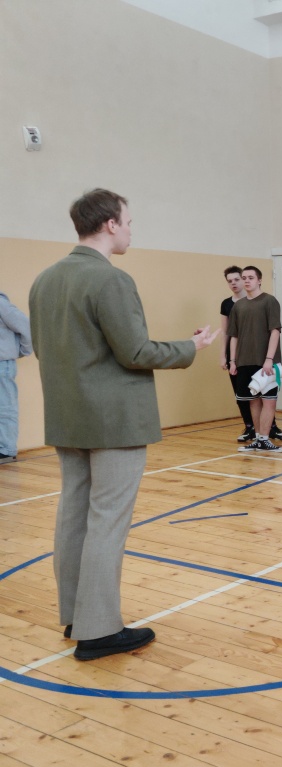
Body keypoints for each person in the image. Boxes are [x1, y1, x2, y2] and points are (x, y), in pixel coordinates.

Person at [29, 188, 218, 659]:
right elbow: (135, 352)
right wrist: (191, 347)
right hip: (113, 420)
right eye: (129, 222)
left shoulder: (44, 280)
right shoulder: (110, 279)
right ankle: (97, 631)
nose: (132, 230)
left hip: (67, 416)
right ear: (110, 224)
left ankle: (76, 616)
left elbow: (45, 350)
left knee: (74, 515)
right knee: (107, 522)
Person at [228, 266, 282, 453]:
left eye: (250, 277)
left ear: (259, 280)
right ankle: (259, 439)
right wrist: (232, 361)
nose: (246, 281)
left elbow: (275, 331)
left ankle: (266, 439)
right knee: (253, 400)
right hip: (245, 360)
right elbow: (234, 335)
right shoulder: (238, 306)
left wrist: (269, 358)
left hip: (267, 362)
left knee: (269, 400)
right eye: (244, 277)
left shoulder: (269, 301)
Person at [219, 266, 257, 443]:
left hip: (254, 353)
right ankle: (249, 426)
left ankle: (269, 426)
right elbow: (225, 332)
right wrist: (223, 356)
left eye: (237, 279)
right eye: (230, 281)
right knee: (240, 393)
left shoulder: (255, 300)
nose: (233, 283)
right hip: (235, 355)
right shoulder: (227, 304)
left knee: (260, 391)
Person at [0, 290, 31, 464]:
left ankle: (6, 450)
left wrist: (21, 350)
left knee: (5, 407)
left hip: (2, 364)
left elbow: (25, 325)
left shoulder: (1, 304)